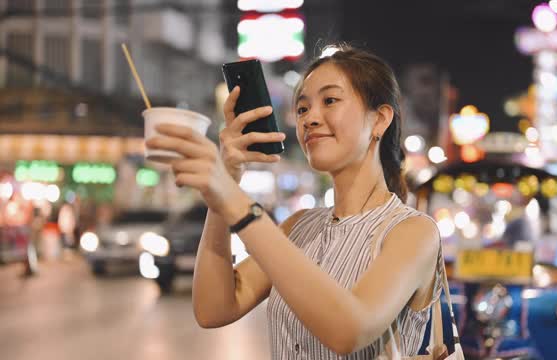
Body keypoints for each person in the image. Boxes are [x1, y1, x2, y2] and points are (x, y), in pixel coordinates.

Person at [146, 45, 443, 358]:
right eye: (302, 109)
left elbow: (349, 330)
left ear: (380, 119)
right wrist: (223, 187)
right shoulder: (298, 227)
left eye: (330, 101)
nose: (310, 119)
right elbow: (214, 308)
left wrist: (235, 202)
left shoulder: (413, 232)